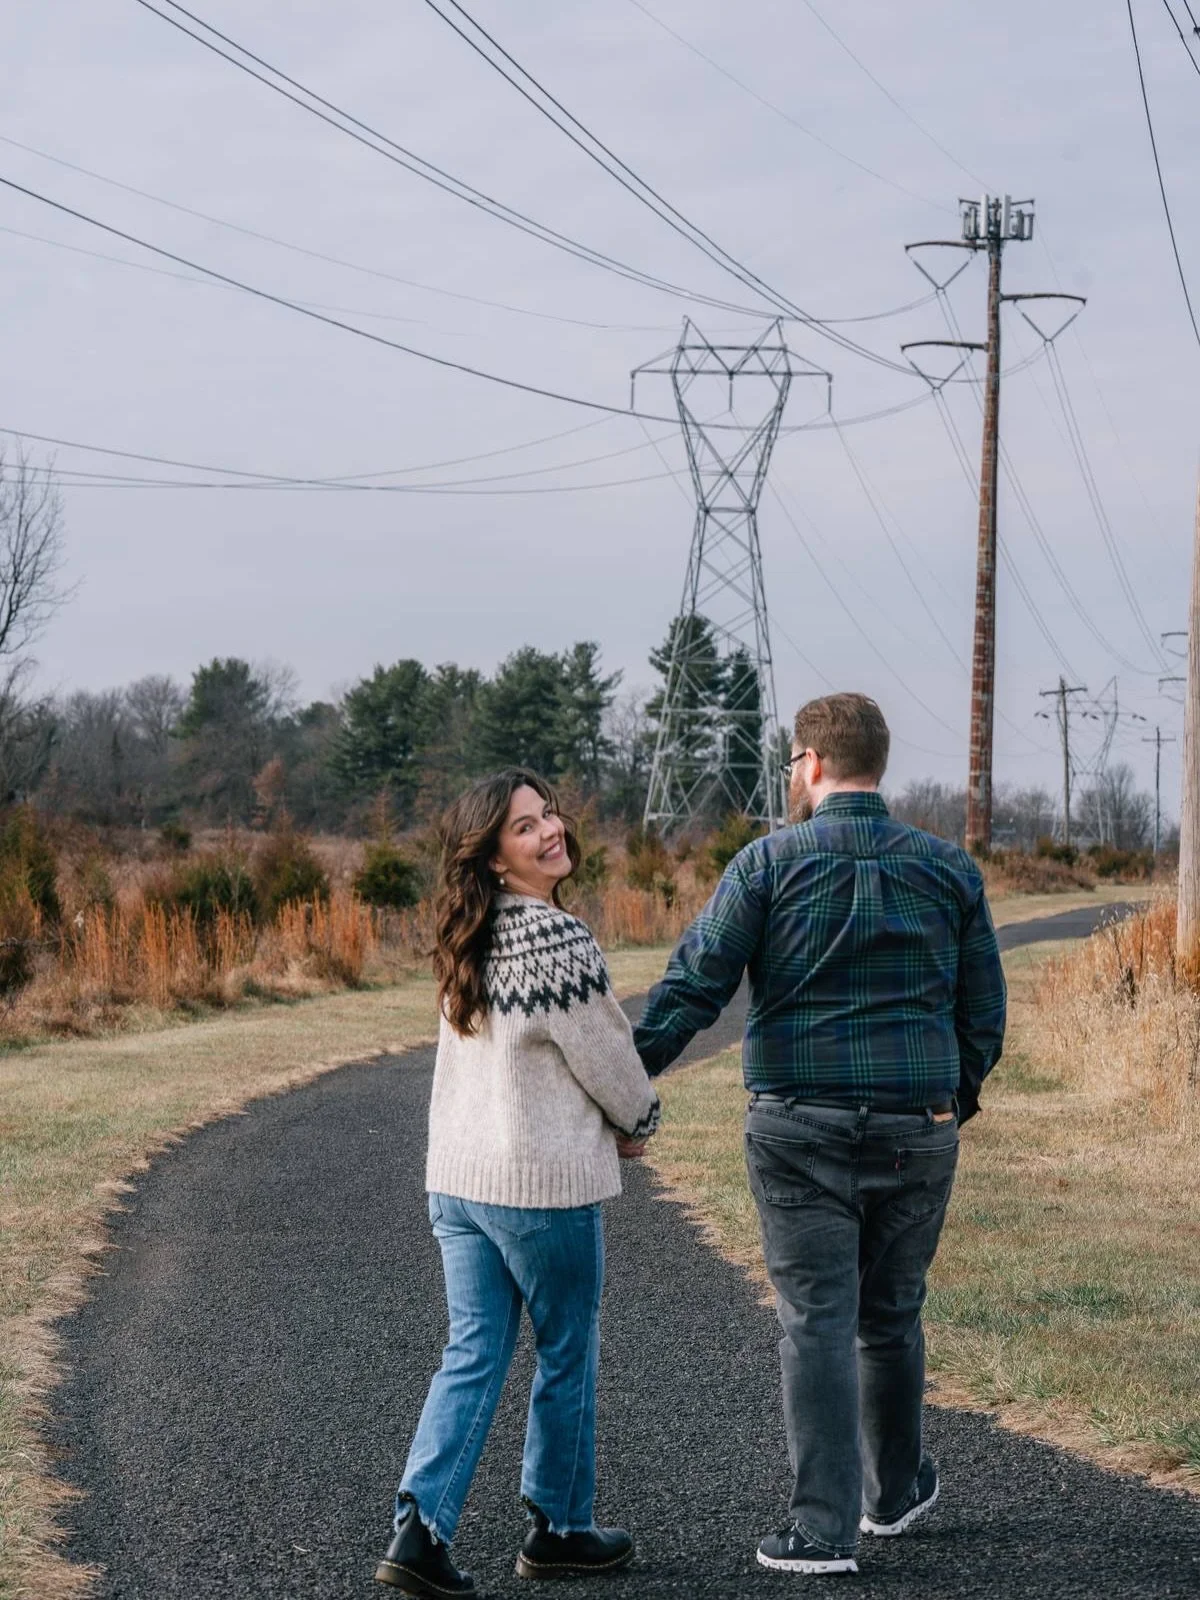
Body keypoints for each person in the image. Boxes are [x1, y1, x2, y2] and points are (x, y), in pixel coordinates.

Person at [633, 693, 1006, 1577]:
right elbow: (983, 1013)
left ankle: (821, 1529)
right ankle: (893, 1492)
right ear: (877, 761)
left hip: (798, 1126)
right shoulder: (950, 870)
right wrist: (947, 1098)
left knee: (817, 1322)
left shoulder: (767, 865)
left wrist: (621, 1076)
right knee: (891, 1316)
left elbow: (695, 986)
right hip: (917, 1130)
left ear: (807, 763)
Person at [375, 768, 661, 1598]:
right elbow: (610, 1061)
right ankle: (561, 1526)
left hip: (458, 1182)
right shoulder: (555, 940)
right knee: (567, 1347)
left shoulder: (467, 934)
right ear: (496, 859)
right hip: (538, 1188)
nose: (550, 831)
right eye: (525, 827)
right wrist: (639, 1125)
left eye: (549, 815)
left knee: (471, 1354)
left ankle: (420, 1530)